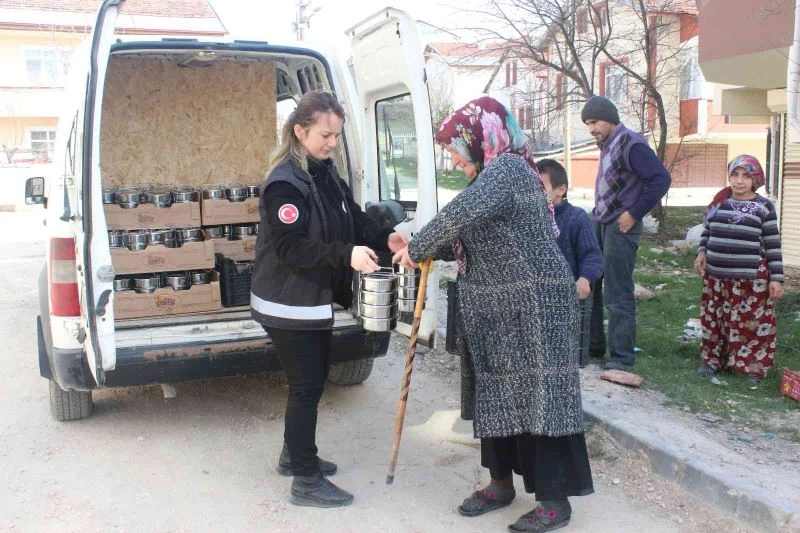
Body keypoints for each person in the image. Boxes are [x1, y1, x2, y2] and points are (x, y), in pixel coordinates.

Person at [394, 97, 593, 533]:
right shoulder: (492, 177)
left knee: (542, 398)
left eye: (455, 148)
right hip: (498, 308)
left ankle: (554, 502)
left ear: (479, 137)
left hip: (536, 305)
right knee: (496, 394)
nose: (454, 158)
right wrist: (414, 247)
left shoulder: (507, 169)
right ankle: (500, 483)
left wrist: (420, 245)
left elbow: (460, 215)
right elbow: (471, 233)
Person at [250, 90, 407, 508]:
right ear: (299, 131)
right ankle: (305, 479)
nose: (332, 143)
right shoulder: (285, 183)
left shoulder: (323, 172)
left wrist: (381, 238)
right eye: (325, 135)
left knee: (310, 381)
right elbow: (292, 249)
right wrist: (345, 255)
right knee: (306, 386)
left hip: (309, 298)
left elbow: (349, 217)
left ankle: (293, 455)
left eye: (337, 135)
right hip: (286, 301)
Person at [581, 95, 671, 371]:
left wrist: (635, 212)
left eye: (594, 122)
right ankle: (593, 347)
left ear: (609, 118)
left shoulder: (631, 143)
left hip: (621, 227)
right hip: (601, 222)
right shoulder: (608, 143)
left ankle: (621, 358)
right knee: (591, 286)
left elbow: (661, 179)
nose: (591, 128)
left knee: (617, 292)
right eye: (587, 123)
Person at [694, 154, 783, 389]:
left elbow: (773, 244)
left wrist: (777, 278)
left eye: (746, 176)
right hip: (716, 276)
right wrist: (702, 251)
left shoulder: (764, 207)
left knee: (751, 324)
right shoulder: (719, 201)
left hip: (750, 279)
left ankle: (752, 367)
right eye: (735, 175)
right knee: (715, 322)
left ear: (756, 179)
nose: (740, 181)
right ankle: (712, 361)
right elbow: (707, 231)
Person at [538, 158, 603, 367]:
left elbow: (593, 256)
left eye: (541, 187)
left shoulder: (576, 218)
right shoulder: (530, 218)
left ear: (561, 189)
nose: (535, 192)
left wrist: (585, 279)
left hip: (567, 301)